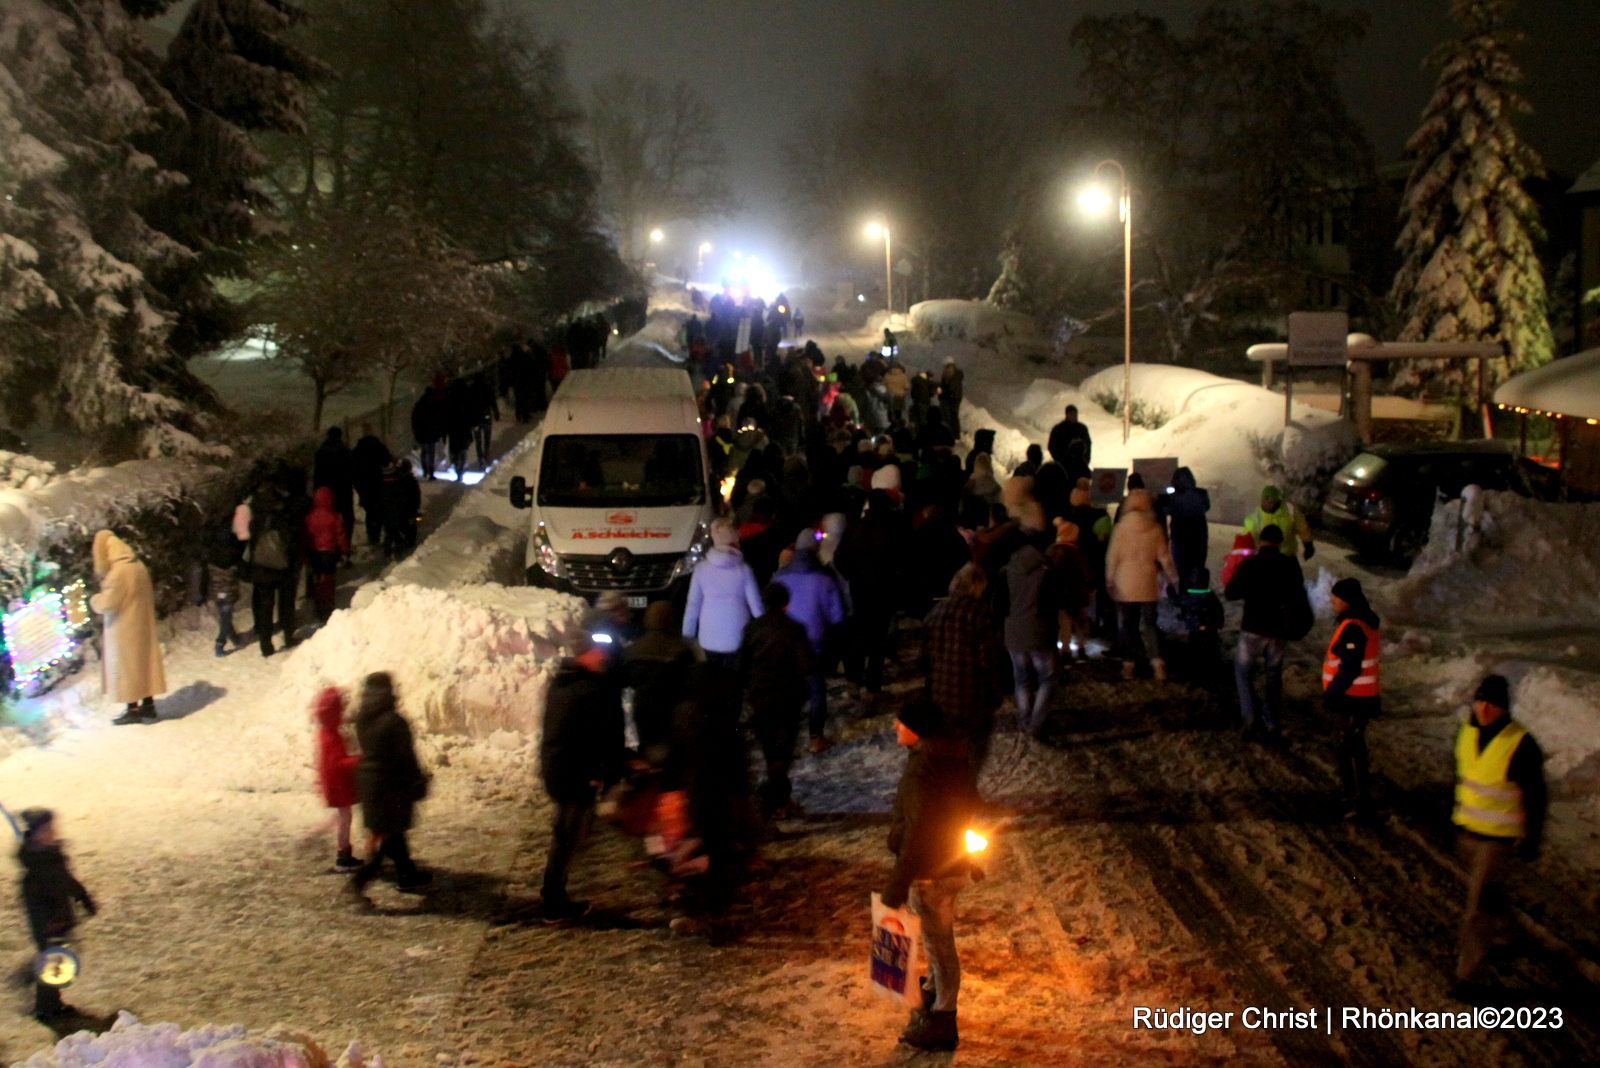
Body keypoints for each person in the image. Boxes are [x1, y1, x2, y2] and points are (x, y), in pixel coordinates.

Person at [881, 699, 981, 1053]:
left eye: (901, 722)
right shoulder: (950, 759)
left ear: (917, 731)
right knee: (938, 941)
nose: (895, 727)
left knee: (940, 946)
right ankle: (933, 996)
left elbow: (918, 832)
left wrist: (896, 886)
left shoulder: (923, 769)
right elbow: (969, 807)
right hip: (950, 866)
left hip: (932, 872)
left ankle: (943, 1019)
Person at [1450, 674, 1546, 996]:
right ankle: (1511, 935)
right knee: (1488, 896)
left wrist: (1532, 837)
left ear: (1504, 708)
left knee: (1478, 908)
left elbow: (1535, 795)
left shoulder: (1520, 744)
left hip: (1499, 839)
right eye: (1480, 701)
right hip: (1469, 832)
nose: (1484, 709)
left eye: (1491, 703)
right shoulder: (1467, 731)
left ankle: (1469, 979)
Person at [539, 613, 625, 921]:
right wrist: (595, 773)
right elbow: (593, 739)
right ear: (586, 654)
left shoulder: (567, 681)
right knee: (567, 836)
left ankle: (555, 893)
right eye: (597, 651)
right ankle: (553, 900)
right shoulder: (585, 691)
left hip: (562, 770)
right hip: (572, 774)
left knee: (569, 833)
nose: (603, 655)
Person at [1223, 524, 1310, 740]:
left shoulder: (1250, 564)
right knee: (1273, 674)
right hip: (1279, 630)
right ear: (1280, 542)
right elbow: (1298, 594)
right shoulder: (1289, 566)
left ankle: (1250, 716)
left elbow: (1231, 593)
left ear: (1261, 540)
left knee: (1243, 671)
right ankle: (1271, 721)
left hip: (1252, 627)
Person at [350, 672, 432, 894]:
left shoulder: (362, 717)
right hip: (391, 784)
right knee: (389, 833)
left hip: (369, 782)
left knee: (392, 832)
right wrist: (417, 780)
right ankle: (362, 879)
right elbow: (406, 756)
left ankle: (406, 872)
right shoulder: (394, 721)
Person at [923, 564, 1005, 775]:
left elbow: (925, 657)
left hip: (942, 698)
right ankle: (967, 794)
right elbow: (991, 661)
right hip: (973, 700)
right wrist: (995, 694)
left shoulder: (935, 613)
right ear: (976, 586)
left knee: (948, 750)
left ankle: (950, 793)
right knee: (974, 751)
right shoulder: (981, 614)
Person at [16, 808, 96, 1026]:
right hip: (48, 926)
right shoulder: (34, 872)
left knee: (58, 962)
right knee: (50, 965)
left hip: (61, 920)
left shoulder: (53, 858)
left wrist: (82, 896)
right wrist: (48, 924)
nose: (53, 832)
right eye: (47, 829)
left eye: (53, 828)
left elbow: (67, 880)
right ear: (36, 835)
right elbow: (35, 904)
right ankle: (45, 1008)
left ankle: (54, 1003)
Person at [740, 584, 813, 817]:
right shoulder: (794, 628)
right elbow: (807, 663)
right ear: (786, 603)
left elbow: (741, 664)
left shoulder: (751, 628)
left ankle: (780, 802)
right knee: (782, 757)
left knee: (771, 752)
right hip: (788, 699)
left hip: (760, 698)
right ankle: (768, 802)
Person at [773, 540, 846, 752]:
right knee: (816, 689)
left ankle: (786, 736)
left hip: (785, 640)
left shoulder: (779, 578)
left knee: (787, 688)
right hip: (814, 642)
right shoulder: (825, 580)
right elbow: (837, 615)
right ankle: (815, 737)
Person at [835, 490, 907, 700]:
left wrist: (852, 576)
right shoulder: (892, 531)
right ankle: (873, 686)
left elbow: (839, 559)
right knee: (878, 639)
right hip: (884, 591)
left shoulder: (853, 529)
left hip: (860, 589)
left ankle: (855, 678)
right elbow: (901, 563)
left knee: (861, 633)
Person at [90, 530, 167, 724]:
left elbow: (108, 604)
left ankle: (132, 709)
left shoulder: (118, 573)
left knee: (128, 669)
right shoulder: (138, 566)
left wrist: (95, 599)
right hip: (142, 623)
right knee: (144, 664)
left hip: (124, 627)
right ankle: (148, 705)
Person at [1103, 489, 1178, 681]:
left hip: (1124, 583)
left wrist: (1109, 581)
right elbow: (1165, 558)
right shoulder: (1155, 527)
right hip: (1148, 582)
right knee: (1151, 625)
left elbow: (1112, 558)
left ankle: (1129, 665)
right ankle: (1158, 664)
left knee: (1128, 625)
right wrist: (1173, 579)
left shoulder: (1120, 528)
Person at [1324, 578, 1381, 818]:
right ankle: (1350, 793)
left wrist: (1333, 693)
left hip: (1352, 698)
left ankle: (1359, 799)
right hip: (1353, 696)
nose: (1331, 601)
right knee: (1344, 746)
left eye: (1335, 597)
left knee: (1352, 747)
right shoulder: (1356, 623)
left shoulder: (1353, 627)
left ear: (1346, 600)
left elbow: (1350, 667)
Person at [682, 519, 764, 671]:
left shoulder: (701, 569)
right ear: (734, 543)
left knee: (714, 680)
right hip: (737, 637)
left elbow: (693, 605)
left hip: (709, 637)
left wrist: (688, 634)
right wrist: (765, 630)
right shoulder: (744, 570)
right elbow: (756, 606)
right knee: (734, 681)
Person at [617, 601, 695, 755]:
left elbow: (624, 681)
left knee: (648, 752)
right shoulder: (681, 651)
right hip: (672, 711)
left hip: (642, 709)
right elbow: (690, 683)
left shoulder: (632, 651)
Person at [999, 531, 1057, 735]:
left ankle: (1025, 720)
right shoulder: (1047, 571)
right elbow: (1052, 603)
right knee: (1047, 679)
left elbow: (1000, 605)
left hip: (1014, 632)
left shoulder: (1005, 571)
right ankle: (1036, 723)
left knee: (1021, 679)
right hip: (1040, 631)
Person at [243, 477, 299, 656]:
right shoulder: (284, 513)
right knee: (286, 602)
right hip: (283, 567)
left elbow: (246, 537)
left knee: (265, 606)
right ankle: (288, 636)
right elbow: (291, 539)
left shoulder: (255, 514)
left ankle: (265, 645)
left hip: (261, 566)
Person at [313, 686, 362, 870]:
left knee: (344, 817)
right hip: (338, 784)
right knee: (345, 818)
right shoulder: (331, 735)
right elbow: (338, 762)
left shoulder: (326, 730)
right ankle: (343, 856)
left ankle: (344, 853)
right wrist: (357, 760)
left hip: (335, 782)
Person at [1046, 519, 1096, 662]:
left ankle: (1065, 652)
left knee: (1064, 625)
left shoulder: (1051, 552)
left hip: (1059, 595)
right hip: (1078, 595)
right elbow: (1086, 574)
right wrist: (1090, 587)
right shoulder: (1077, 553)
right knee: (1080, 623)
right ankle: (1081, 650)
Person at [1161, 466, 1211, 592]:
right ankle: (1198, 599)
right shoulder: (1201, 494)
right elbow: (1206, 507)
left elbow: (1163, 510)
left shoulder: (1173, 498)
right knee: (1197, 572)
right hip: (1200, 540)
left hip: (1180, 540)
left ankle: (1185, 601)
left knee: (1182, 573)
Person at [305, 486, 350, 625]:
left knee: (318, 578)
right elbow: (340, 535)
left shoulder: (309, 517)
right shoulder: (334, 516)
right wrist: (345, 550)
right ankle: (327, 605)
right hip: (329, 553)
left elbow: (305, 536)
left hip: (314, 553)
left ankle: (318, 604)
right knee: (328, 580)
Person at [1243, 484, 1315, 561]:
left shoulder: (1290, 511)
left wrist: (1308, 544)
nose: (1266, 505)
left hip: (1287, 555)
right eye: (1264, 501)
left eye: (1270, 502)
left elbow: (1302, 527)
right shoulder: (1257, 515)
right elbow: (1250, 535)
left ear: (1276, 501)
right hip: (1264, 556)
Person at [312, 426, 356, 542]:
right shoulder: (346, 452)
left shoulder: (321, 452)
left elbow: (317, 473)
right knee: (347, 519)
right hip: (343, 490)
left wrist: (317, 490)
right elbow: (352, 471)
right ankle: (345, 545)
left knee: (327, 517)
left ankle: (327, 544)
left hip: (326, 491)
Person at [350, 427, 391, 547]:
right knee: (379, 509)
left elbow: (352, 467)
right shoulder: (378, 447)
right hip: (378, 483)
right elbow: (386, 460)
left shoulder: (357, 450)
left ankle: (372, 535)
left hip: (364, 485)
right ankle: (377, 534)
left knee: (370, 511)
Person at [206, 528, 242, 657]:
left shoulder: (211, 555)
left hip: (216, 591)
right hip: (229, 591)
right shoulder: (234, 555)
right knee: (225, 617)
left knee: (224, 615)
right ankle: (220, 643)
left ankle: (233, 636)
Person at [381, 458, 421, 557]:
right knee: (409, 527)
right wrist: (414, 509)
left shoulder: (395, 481)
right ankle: (406, 544)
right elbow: (415, 496)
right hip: (405, 510)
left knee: (391, 529)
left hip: (392, 510)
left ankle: (390, 546)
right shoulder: (409, 480)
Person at [411, 377, 448, 480]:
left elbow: (415, 419)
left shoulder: (419, 404)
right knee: (431, 453)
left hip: (422, 432)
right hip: (431, 433)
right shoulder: (434, 405)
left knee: (424, 452)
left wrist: (416, 431)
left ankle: (425, 471)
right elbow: (438, 418)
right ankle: (430, 473)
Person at [1046, 404, 1092, 482]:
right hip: (1062, 466)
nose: (1073, 417)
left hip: (1080, 466)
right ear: (1066, 415)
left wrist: (1085, 460)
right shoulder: (1058, 429)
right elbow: (1052, 446)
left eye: (1075, 415)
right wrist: (1059, 460)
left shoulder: (1082, 429)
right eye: (1071, 414)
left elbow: (1088, 444)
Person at [938, 358, 964, 436]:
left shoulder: (955, 375)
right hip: (949, 397)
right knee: (949, 416)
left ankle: (955, 434)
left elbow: (951, 388)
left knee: (953, 416)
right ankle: (951, 433)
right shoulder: (947, 374)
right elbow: (943, 385)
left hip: (954, 398)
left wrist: (943, 392)